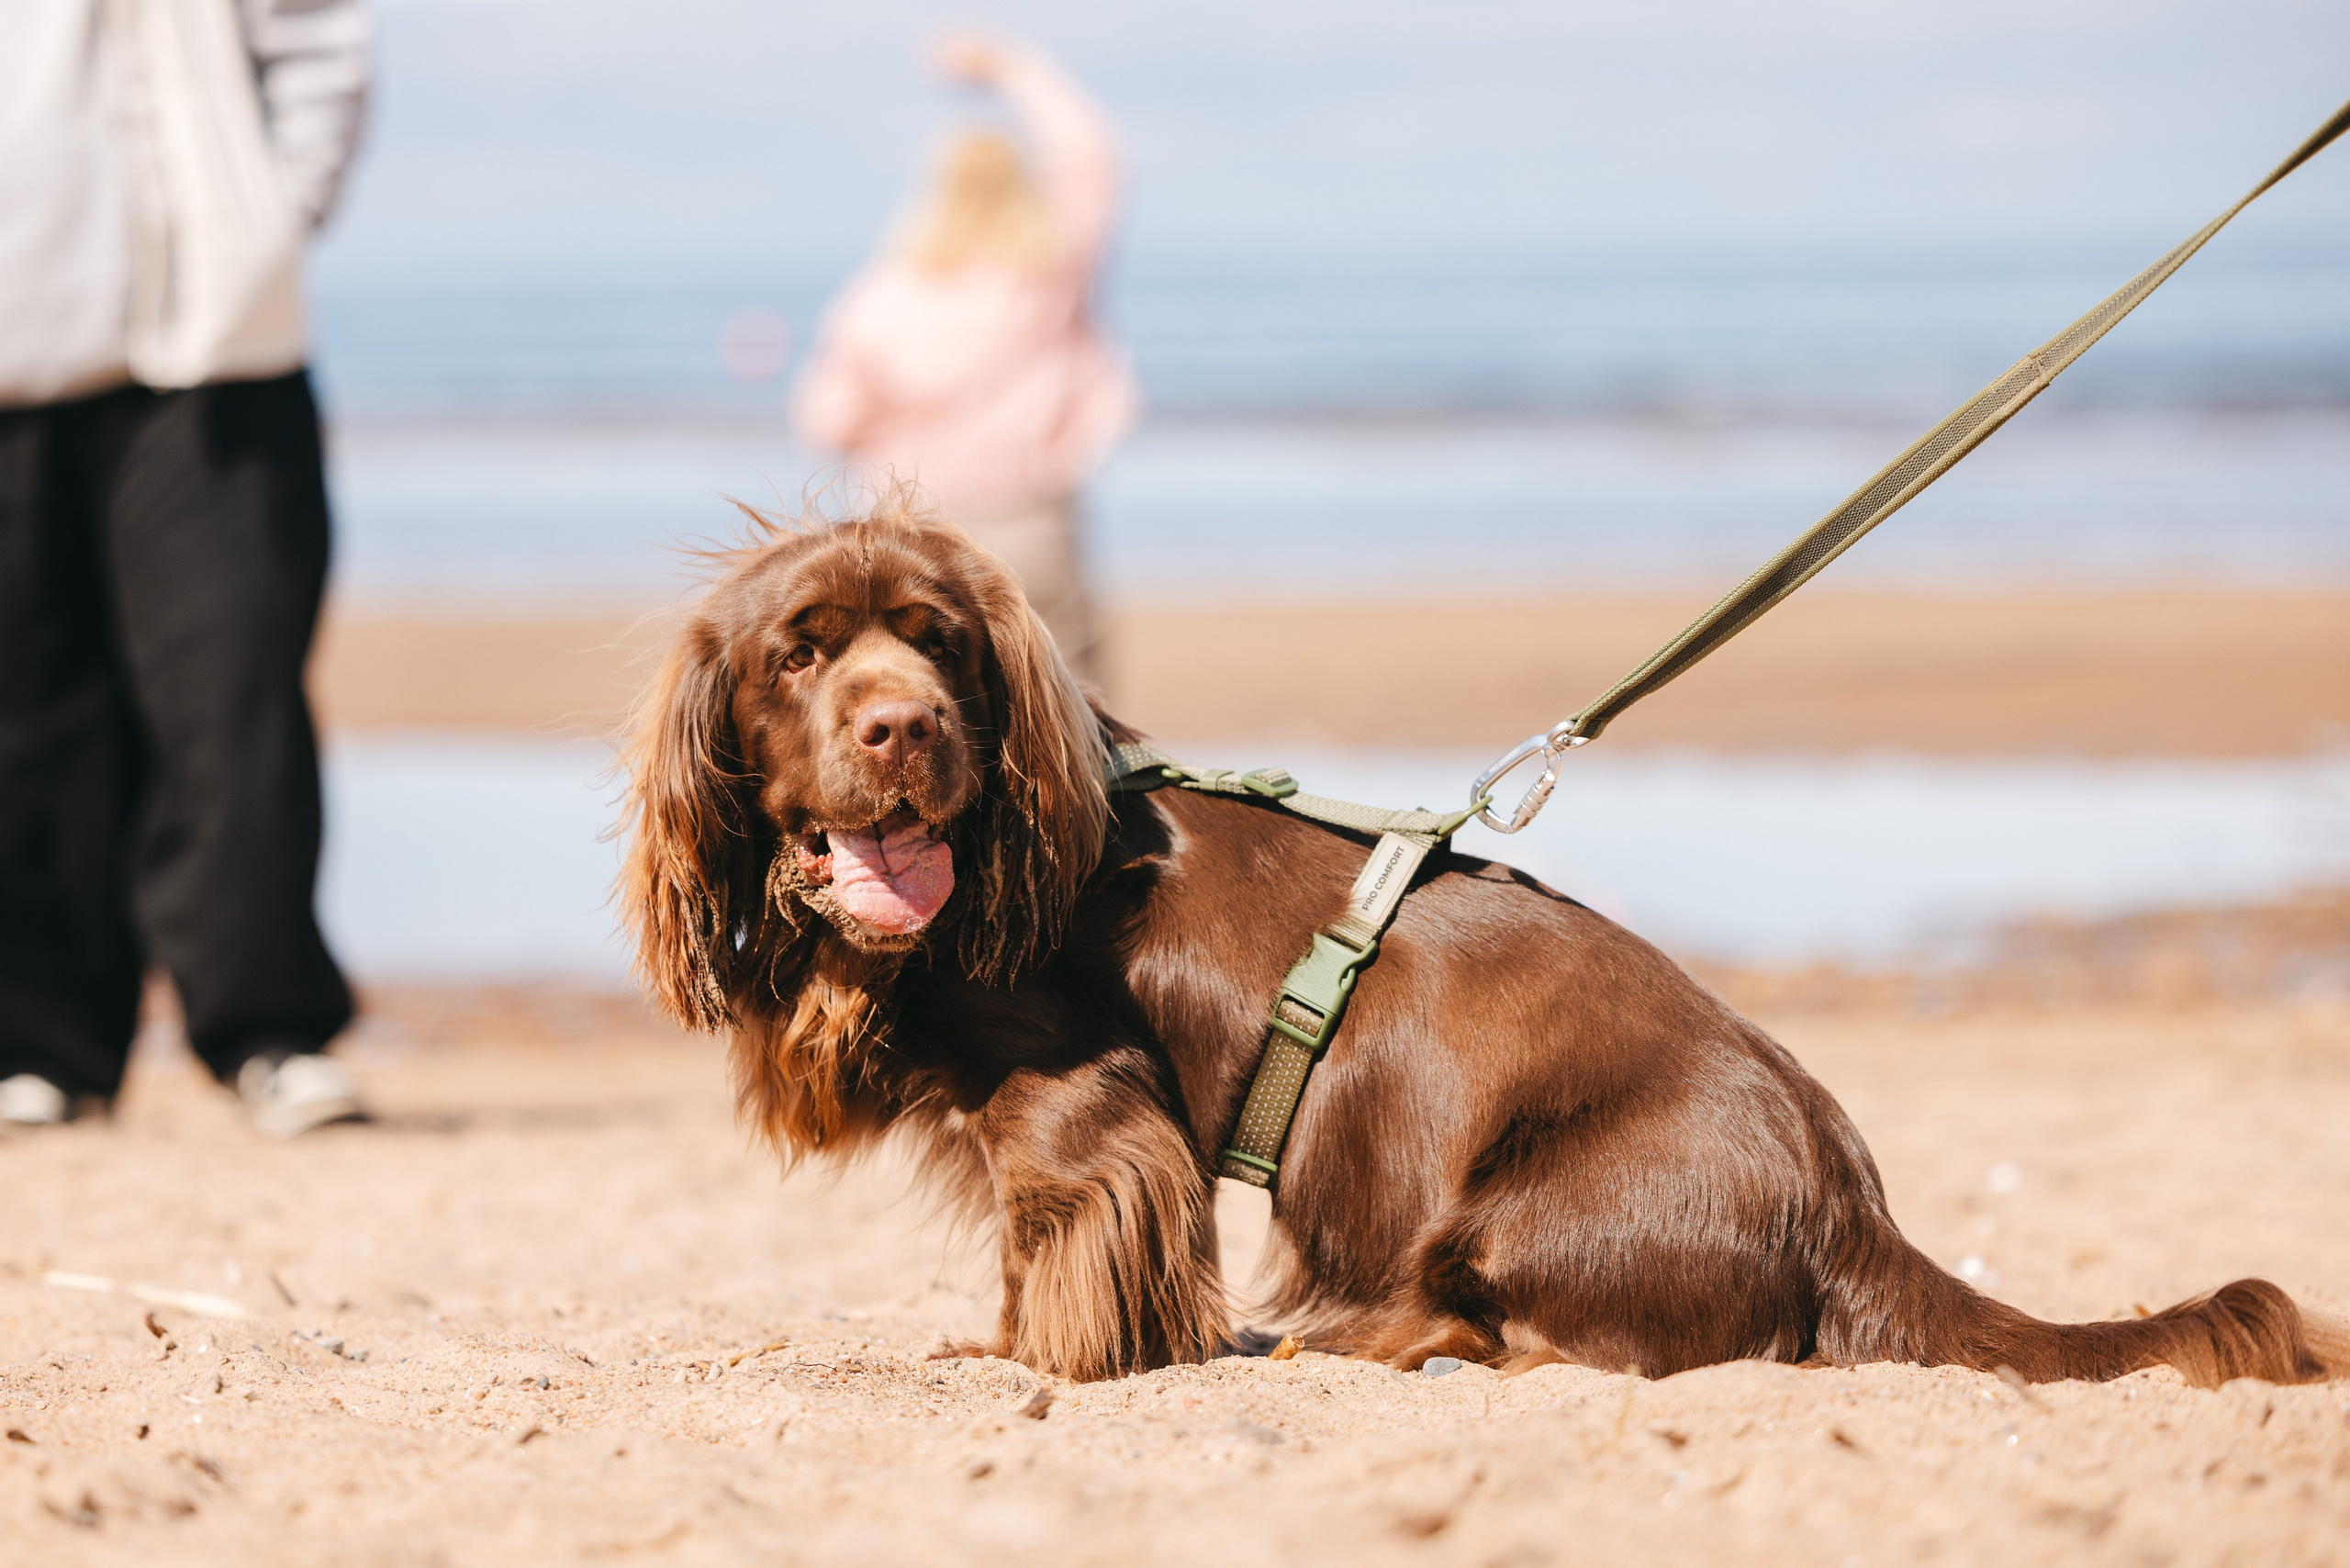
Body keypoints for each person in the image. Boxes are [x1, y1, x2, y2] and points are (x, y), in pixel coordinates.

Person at [0, 0, 373, 1137]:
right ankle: (39, 1045)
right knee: (22, 703)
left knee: (235, 690)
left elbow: (320, 41)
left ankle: (268, 1031)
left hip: (217, 348)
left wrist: (269, 217)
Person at [792, 34, 1138, 688]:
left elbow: (827, 419)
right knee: (1077, 712)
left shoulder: (881, 296)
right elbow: (1093, 162)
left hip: (912, 531)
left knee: (930, 705)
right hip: (1032, 517)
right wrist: (1016, 69)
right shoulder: (1046, 274)